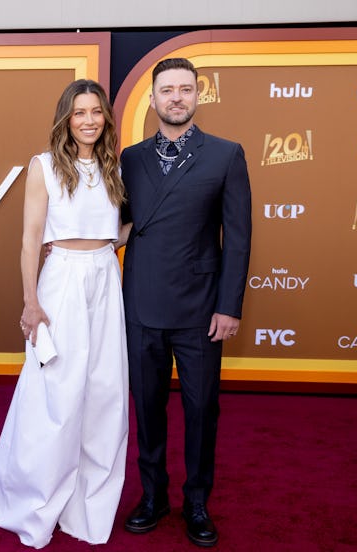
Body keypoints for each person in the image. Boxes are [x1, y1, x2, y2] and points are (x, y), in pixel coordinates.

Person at [0, 79, 130, 549]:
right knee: (56, 396)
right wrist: (31, 302)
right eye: (79, 113)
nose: (88, 120)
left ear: (105, 118)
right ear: (65, 118)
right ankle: (34, 501)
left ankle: (87, 510)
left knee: (105, 393)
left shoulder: (114, 166)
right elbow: (31, 240)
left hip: (105, 278)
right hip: (61, 281)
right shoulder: (44, 167)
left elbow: (113, 230)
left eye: (95, 112)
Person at [119, 58, 252, 547]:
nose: (176, 97)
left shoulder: (225, 155)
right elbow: (115, 223)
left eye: (185, 89)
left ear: (198, 96)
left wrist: (229, 306)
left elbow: (236, 238)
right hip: (142, 304)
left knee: (201, 410)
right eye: (167, 90)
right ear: (152, 99)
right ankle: (153, 497)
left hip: (201, 310)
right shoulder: (129, 159)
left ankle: (197, 502)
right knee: (147, 408)